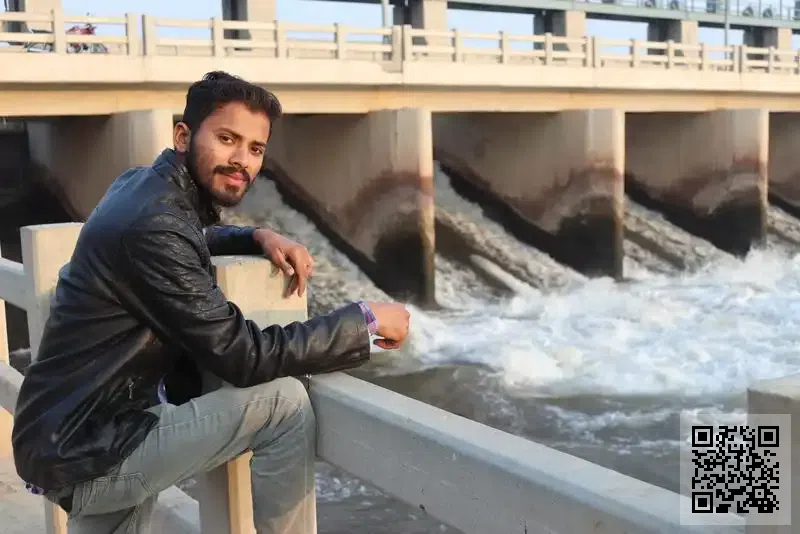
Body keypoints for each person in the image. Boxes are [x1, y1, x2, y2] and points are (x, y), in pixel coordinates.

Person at [11, 70, 410, 534]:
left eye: (256, 148)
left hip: (60, 438)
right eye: (226, 139)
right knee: (283, 403)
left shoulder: (139, 188)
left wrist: (254, 235)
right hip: (91, 451)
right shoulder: (155, 226)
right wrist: (363, 323)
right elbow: (243, 355)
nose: (242, 160)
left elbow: (187, 237)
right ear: (183, 136)